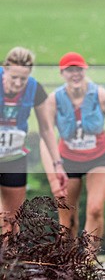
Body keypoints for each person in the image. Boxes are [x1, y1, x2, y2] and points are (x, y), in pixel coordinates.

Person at [41, 52, 105, 251]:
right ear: (62, 73)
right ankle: (67, 265)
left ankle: (89, 262)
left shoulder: (102, 97)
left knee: (95, 208)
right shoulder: (53, 101)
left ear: (85, 71)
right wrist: (53, 172)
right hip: (67, 160)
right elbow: (46, 137)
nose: (75, 74)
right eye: (70, 70)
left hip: (99, 158)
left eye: (79, 69)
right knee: (67, 220)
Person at [0, 47, 68, 234]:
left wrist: (57, 164)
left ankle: (8, 261)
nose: (18, 83)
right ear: (4, 70)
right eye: (13, 77)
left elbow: (46, 129)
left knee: (11, 220)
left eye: (23, 78)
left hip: (13, 157)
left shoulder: (34, 88)